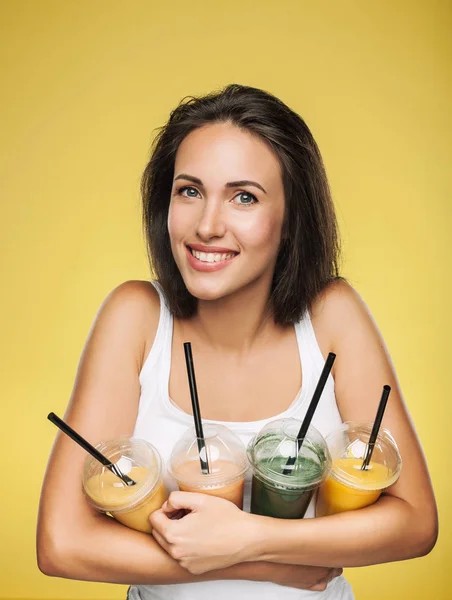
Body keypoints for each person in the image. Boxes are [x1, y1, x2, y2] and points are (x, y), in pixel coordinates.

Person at [37, 84, 438, 600]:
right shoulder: (135, 316)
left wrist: (252, 537)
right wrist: (267, 566)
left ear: (292, 218)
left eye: (244, 196)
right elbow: (61, 543)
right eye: (189, 191)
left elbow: (415, 522)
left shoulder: (331, 314)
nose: (207, 225)